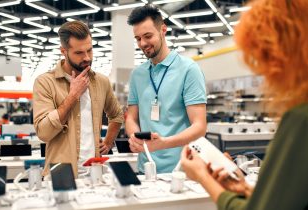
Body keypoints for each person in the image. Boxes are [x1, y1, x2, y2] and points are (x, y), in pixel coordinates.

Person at [181, 0, 308, 209]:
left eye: (265, 58)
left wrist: (204, 177)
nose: (264, 72)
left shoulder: (306, 118)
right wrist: (250, 191)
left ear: (284, 55)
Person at [33, 21, 124, 177]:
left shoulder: (101, 81)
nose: (87, 57)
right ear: (64, 51)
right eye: (79, 53)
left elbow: (117, 115)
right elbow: (43, 132)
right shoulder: (45, 82)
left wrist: (108, 142)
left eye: (89, 50)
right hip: (60, 174)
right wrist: (73, 95)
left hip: (95, 172)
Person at [125, 4, 207, 174]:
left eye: (148, 36)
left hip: (181, 170)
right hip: (145, 169)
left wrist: (164, 143)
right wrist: (135, 137)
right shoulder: (137, 74)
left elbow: (199, 126)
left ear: (163, 30)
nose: (143, 43)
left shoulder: (188, 69)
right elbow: (131, 118)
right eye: (138, 38)